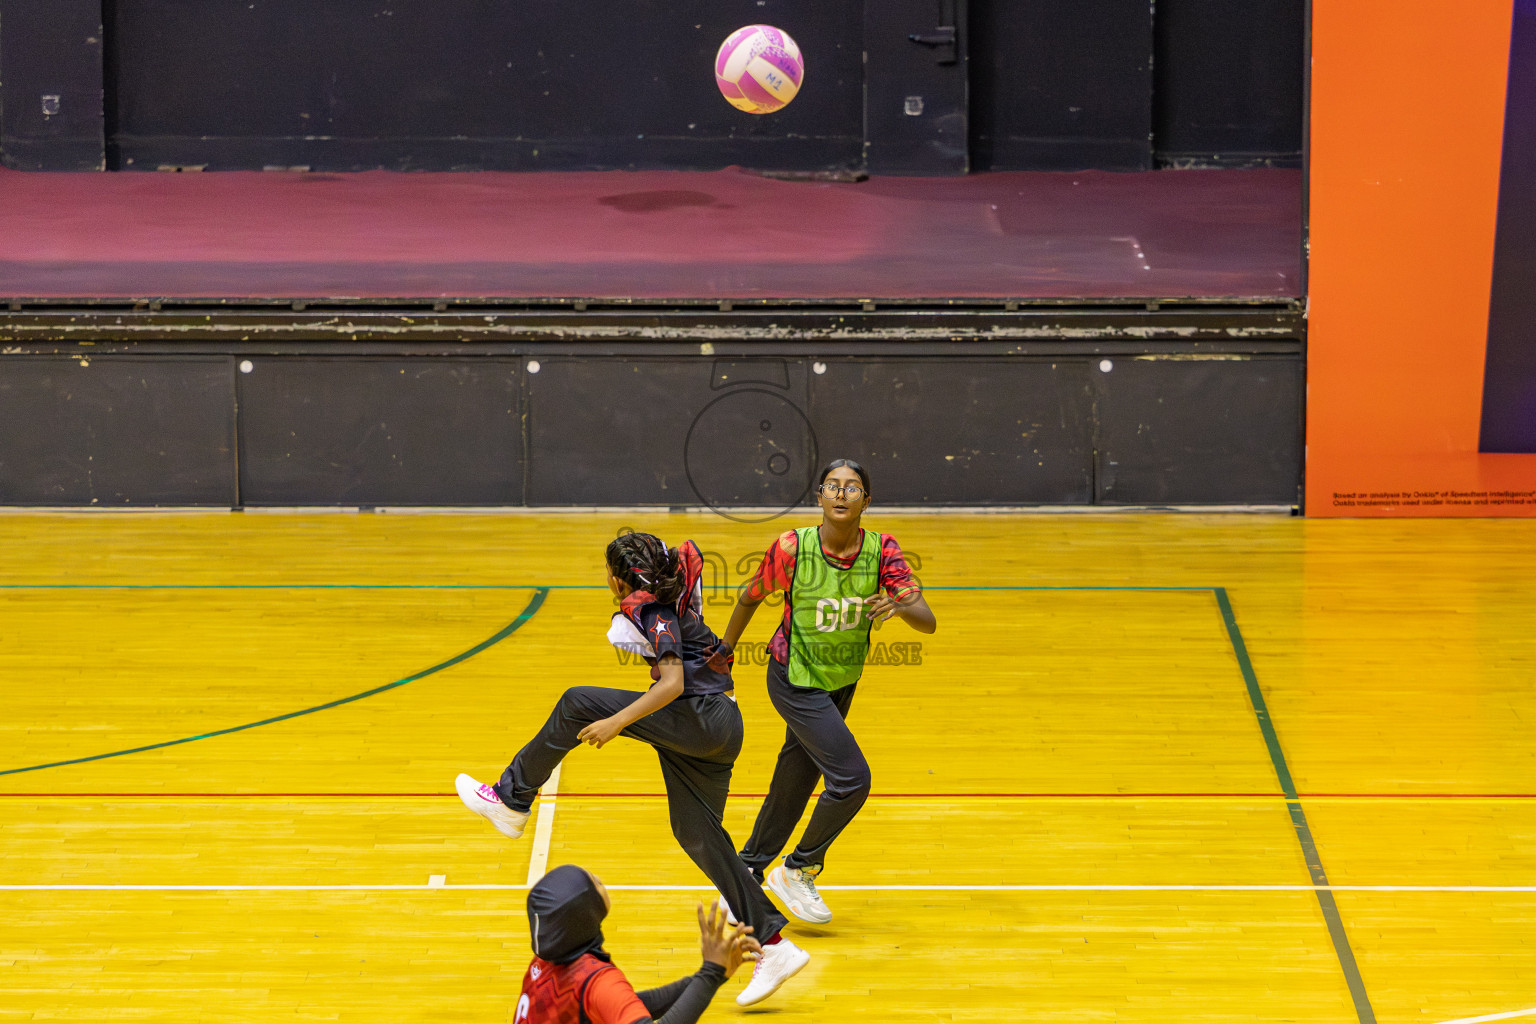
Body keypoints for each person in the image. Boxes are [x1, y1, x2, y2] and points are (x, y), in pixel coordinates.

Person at [455, 532, 809, 1006]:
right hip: (722, 723)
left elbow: (673, 681)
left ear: (618, 581)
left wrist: (616, 722)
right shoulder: (675, 584)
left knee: (578, 702)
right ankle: (774, 944)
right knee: (696, 832)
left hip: (701, 718)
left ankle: (512, 798)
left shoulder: (651, 609)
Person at [717, 459, 937, 924]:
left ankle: (745, 872)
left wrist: (899, 603)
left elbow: (928, 621)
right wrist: (726, 652)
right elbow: (751, 596)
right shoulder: (793, 547)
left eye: (852, 487)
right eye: (831, 486)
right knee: (853, 779)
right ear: (819, 498)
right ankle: (798, 868)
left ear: (866, 501)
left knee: (795, 780)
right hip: (794, 678)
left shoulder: (882, 550)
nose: (841, 494)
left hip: (841, 682)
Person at [515, 864, 759, 1024]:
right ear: (585, 913)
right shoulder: (597, 981)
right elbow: (612, 999)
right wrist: (709, 975)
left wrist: (710, 975)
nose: (600, 878)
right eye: (595, 883)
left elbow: (623, 1006)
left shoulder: (545, 960)